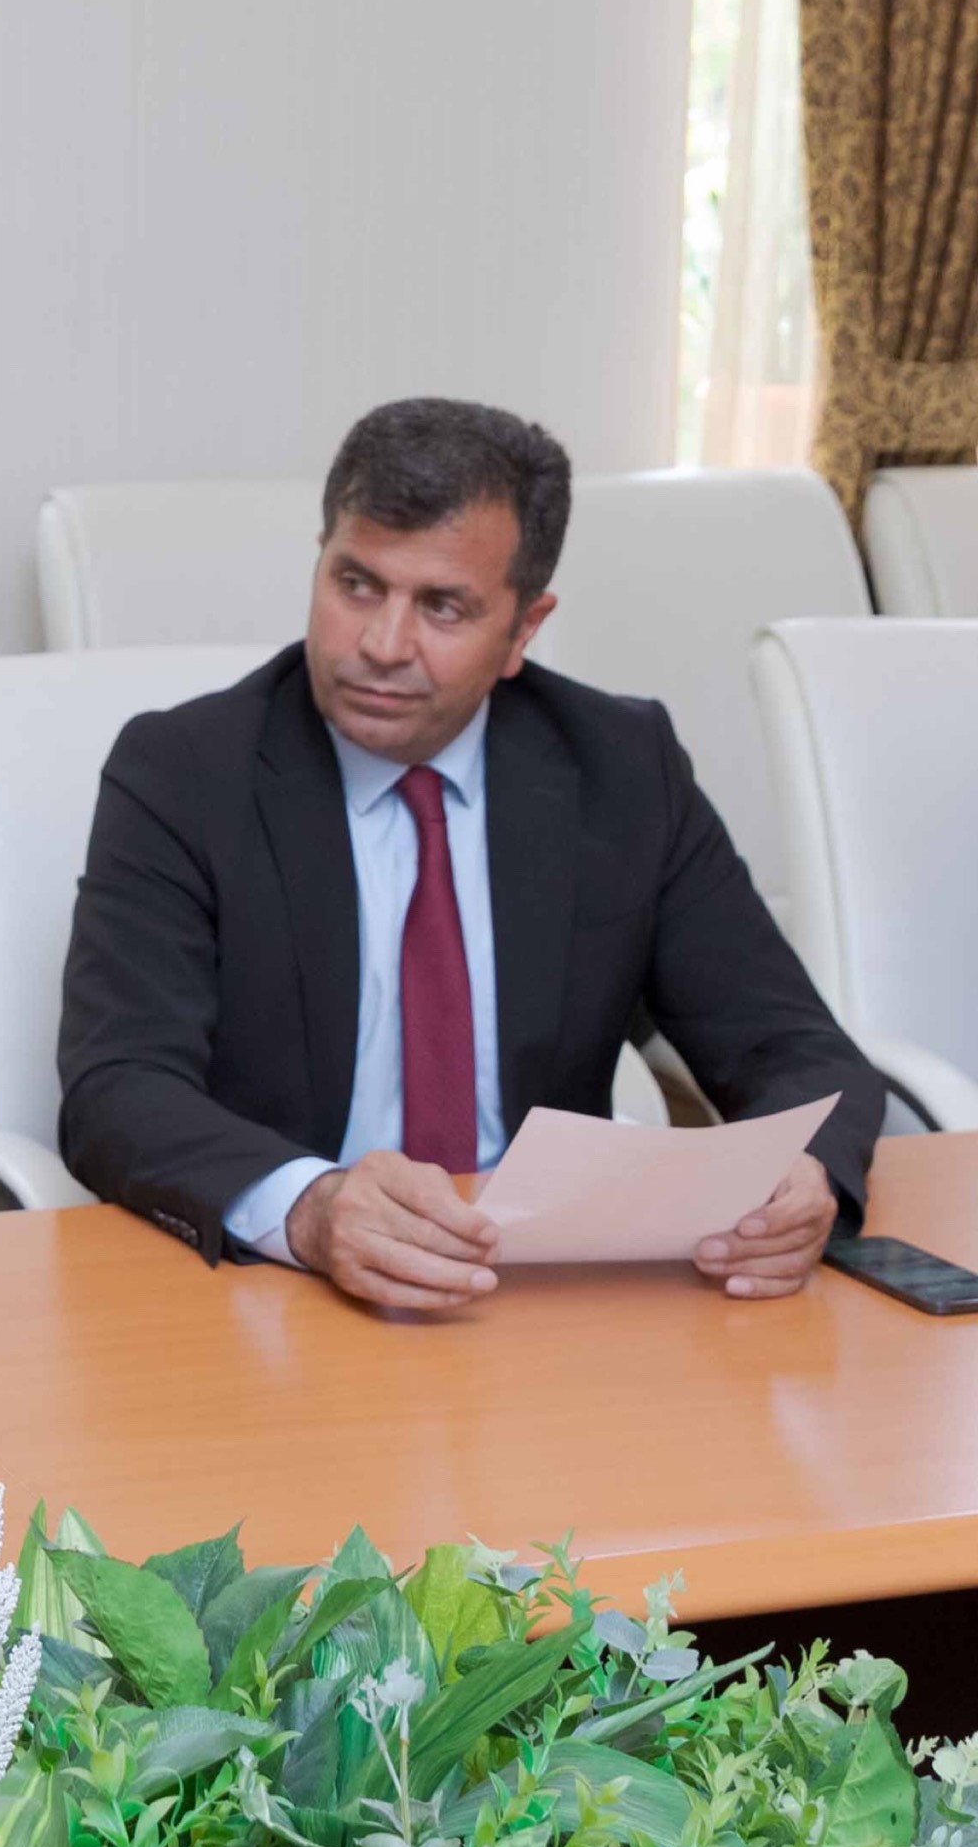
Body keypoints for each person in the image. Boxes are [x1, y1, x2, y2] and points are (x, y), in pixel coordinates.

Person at [57, 397, 882, 1311]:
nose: (382, 646)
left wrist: (800, 1173)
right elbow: (117, 1087)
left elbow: (793, 1046)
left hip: (536, 1298)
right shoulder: (183, 773)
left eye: (442, 607)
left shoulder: (620, 768)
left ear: (524, 629)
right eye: (357, 584)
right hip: (277, 1296)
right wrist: (310, 1207)